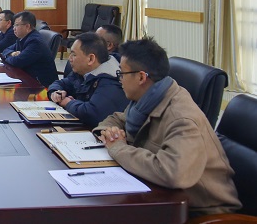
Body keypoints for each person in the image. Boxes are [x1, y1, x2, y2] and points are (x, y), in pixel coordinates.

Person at [94, 38, 241, 217]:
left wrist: (118, 148)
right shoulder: (146, 100)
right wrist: (109, 132)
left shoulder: (182, 118)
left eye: (122, 74)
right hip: (158, 193)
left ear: (141, 77)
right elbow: (117, 119)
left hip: (201, 211)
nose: (120, 80)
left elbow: (173, 173)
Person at [47, 32, 128, 127]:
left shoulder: (111, 81)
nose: (70, 59)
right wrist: (55, 92)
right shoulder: (84, 71)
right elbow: (61, 83)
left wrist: (68, 103)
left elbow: (92, 114)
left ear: (90, 59)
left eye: (74, 55)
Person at [1, 11, 58, 87]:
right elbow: (6, 50)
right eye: (14, 25)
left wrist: (7, 57)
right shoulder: (23, 38)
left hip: (40, 85)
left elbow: (17, 62)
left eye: (17, 25)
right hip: (28, 77)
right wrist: (12, 53)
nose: (14, 28)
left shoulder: (35, 42)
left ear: (27, 26)